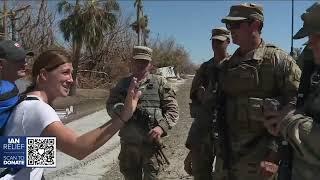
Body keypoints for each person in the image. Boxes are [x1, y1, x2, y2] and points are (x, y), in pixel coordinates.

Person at [1, 49, 142, 180]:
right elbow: (79, 149)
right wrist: (124, 116)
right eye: (65, 72)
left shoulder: (25, 101)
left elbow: (23, 160)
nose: (71, 80)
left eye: (71, 73)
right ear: (44, 75)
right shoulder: (38, 109)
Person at [215, 3, 301, 180]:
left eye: (236, 24)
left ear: (255, 24)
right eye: (229, 25)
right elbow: (212, 111)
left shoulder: (279, 61)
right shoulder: (226, 66)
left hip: (261, 164)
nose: (230, 29)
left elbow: (296, 108)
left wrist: (274, 155)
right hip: (225, 160)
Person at [263, 2, 320, 180]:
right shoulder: (314, 72)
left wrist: (287, 122)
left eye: (316, 36)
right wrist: (285, 109)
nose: (310, 43)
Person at [106, 46, 179, 180]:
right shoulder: (122, 84)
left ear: (150, 64)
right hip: (129, 146)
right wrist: (121, 110)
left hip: (151, 146)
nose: (140, 65)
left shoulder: (160, 82)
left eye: (144, 62)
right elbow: (110, 105)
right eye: (137, 61)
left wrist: (160, 127)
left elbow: (173, 110)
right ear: (132, 62)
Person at [184, 27, 230, 180]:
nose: (216, 44)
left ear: (228, 42)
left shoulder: (234, 65)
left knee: (224, 173)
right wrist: (200, 96)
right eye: (214, 41)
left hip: (227, 128)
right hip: (204, 127)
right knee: (200, 172)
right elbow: (194, 96)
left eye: (220, 41)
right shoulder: (205, 68)